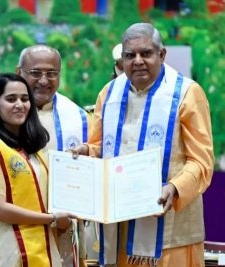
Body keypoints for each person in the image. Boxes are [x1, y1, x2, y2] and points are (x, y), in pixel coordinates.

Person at [71, 22, 214, 266]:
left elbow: (201, 161)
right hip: (119, 227)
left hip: (169, 229)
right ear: (122, 59)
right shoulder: (109, 93)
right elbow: (99, 146)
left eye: (146, 53)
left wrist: (175, 187)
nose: (137, 61)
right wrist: (86, 152)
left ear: (162, 54)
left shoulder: (187, 93)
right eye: (130, 55)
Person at [0, 45, 95, 266]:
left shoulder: (78, 117)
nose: (43, 80)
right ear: (19, 72)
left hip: (62, 230)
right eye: (36, 73)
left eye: (51, 74)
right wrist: (49, 217)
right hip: (15, 236)